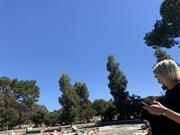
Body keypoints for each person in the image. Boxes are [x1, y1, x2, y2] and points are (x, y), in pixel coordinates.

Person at [142, 59, 180, 135]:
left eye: (157, 74)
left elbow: (166, 112)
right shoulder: (169, 92)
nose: (155, 77)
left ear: (165, 73)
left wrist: (163, 111)